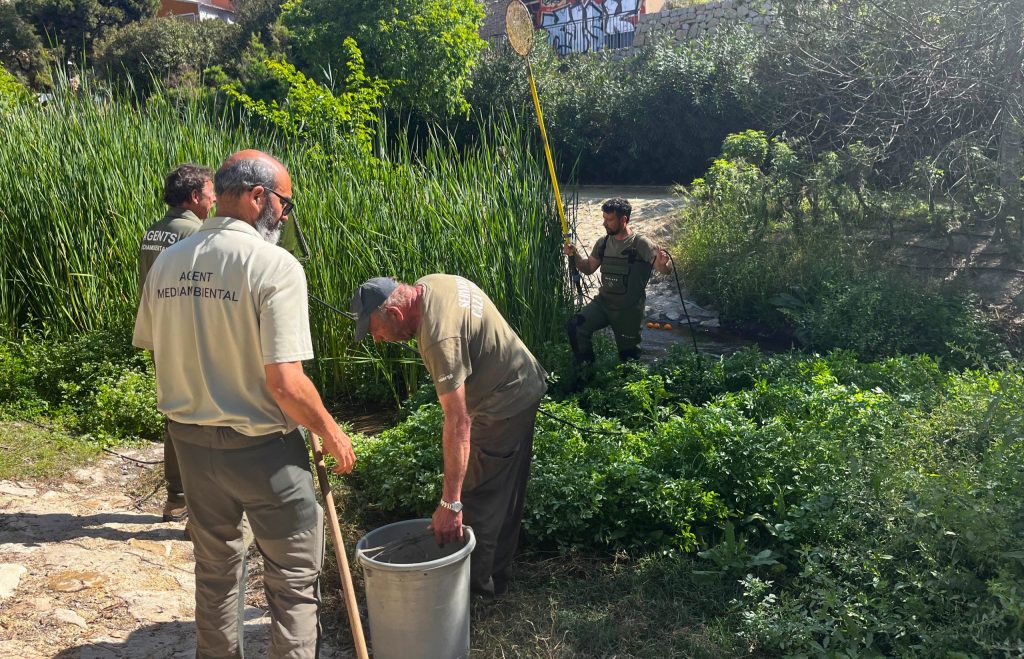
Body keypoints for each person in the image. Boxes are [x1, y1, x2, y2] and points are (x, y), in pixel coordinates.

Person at [133, 150, 356, 658]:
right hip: (264, 450)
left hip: (190, 444)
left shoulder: (168, 261)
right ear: (259, 197)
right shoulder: (274, 266)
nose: (286, 215)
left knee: (215, 572)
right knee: (294, 579)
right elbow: (286, 383)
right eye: (285, 204)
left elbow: (156, 347)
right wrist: (330, 431)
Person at [350, 274, 547, 599]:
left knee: (477, 497)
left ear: (396, 313)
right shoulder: (432, 284)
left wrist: (450, 503)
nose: (379, 341)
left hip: (504, 403)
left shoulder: (438, 338)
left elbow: (458, 421)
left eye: (376, 331)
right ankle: (497, 578)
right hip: (522, 382)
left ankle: (475, 593)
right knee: (505, 491)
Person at [138, 163, 216, 523]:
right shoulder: (195, 233)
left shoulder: (154, 231)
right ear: (195, 196)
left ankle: (176, 497)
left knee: (175, 412)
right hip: (190, 338)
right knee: (202, 417)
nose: (215, 200)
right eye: (211, 193)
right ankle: (199, 504)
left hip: (161, 334)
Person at [563, 197, 672, 364]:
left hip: (628, 311)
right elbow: (588, 268)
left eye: (609, 220)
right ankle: (586, 372)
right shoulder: (603, 242)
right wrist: (574, 255)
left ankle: (627, 377)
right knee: (576, 327)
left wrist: (664, 263)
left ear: (623, 220)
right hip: (603, 305)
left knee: (628, 358)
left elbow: (663, 270)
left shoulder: (640, 243)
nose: (604, 224)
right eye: (604, 219)